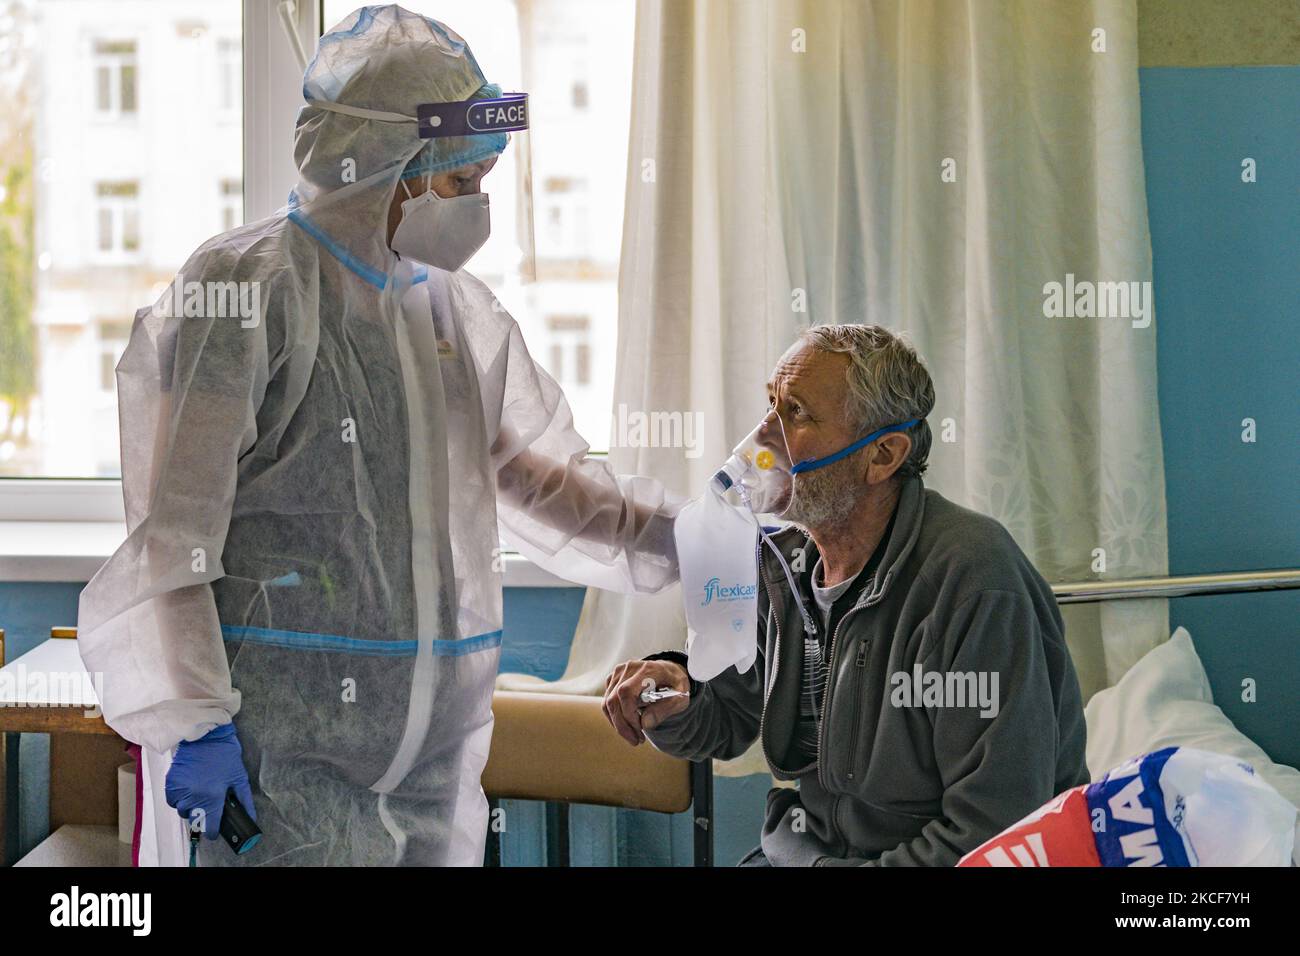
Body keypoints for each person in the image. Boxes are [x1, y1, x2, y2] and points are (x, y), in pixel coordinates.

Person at [77, 4, 682, 867]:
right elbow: (175, 541)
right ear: (388, 168)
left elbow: (537, 479)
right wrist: (198, 722)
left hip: (433, 766)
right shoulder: (246, 294)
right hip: (275, 763)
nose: (477, 206)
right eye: (461, 182)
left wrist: (689, 538)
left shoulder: (453, 313)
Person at [603, 324, 1088, 866]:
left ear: (881, 454)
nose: (763, 436)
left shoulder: (973, 583)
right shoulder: (781, 564)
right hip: (807, 852)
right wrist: (677, 698)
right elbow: (733, 717)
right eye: (771, 406)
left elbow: (994, 830)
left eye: (798, 414)